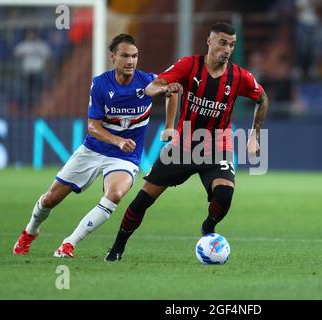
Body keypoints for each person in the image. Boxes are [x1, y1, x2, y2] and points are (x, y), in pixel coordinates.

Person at [105, 22, 269, 262]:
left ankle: (209, 227)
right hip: (182, 147)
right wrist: (164, 88)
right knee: (143, 200)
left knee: (224, 195)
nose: (227, 49)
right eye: (222, 42)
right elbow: (151, 87)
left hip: (217, 147)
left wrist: (255, 135)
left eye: (232, 45)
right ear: (209, 41)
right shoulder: (188, 65)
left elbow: (262, 98)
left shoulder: (239, 76)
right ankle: (117, 247)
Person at [13, 34, 178, 258]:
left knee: (115, 194)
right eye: (125, 56)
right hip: (93, 150)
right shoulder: (100, 84)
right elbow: (93, 127)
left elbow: (173, 91)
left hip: (125, 157)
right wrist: (118, 140)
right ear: (113, 57)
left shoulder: (149, 81)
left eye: (135, 56)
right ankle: (30, 231)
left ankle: (69, 244)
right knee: (50, 198)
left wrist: (169, 126)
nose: (131, 61)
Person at [14, 30, 51, 113]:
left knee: (40, 90)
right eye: (29, 34)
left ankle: (42, 105)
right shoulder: (24, 45)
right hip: (27, 72)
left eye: (32, 34)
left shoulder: (41, 45)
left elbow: (48, 55)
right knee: (27, 92)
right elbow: (16, 54)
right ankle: (28, 107)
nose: (31, 36)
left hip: (39, 72)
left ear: (35, 35)